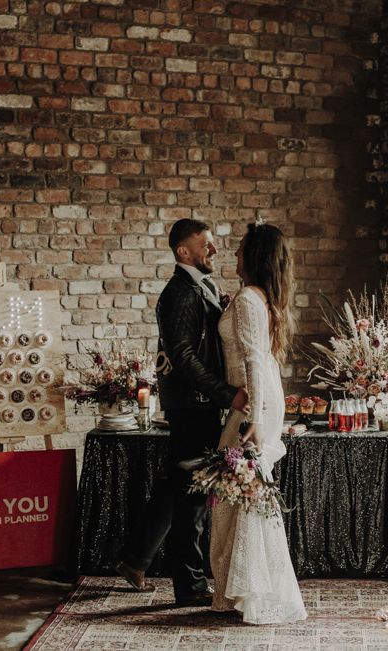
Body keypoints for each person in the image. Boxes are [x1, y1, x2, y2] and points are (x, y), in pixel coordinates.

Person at [116, 218, 249, 606]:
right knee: (193, 496)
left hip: (199, 404)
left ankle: (134, 558)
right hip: (194, 405)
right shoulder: (179, 293)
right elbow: (184, 358)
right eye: (205, 245)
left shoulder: (200, 287)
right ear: (183, 252)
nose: (214, 251)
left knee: (177, 485)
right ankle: (189, 586)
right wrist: (226, 394)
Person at [210, 221, 308, 624]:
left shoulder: (251, 299)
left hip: (255, 405)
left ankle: (254, 593)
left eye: (239, 251)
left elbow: (252, 360)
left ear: (254, 258)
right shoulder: (253, 297)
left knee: (240, 500)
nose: (233, 257)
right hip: (259, 400)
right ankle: (242, 590)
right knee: (237, 500)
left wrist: (254, 420)